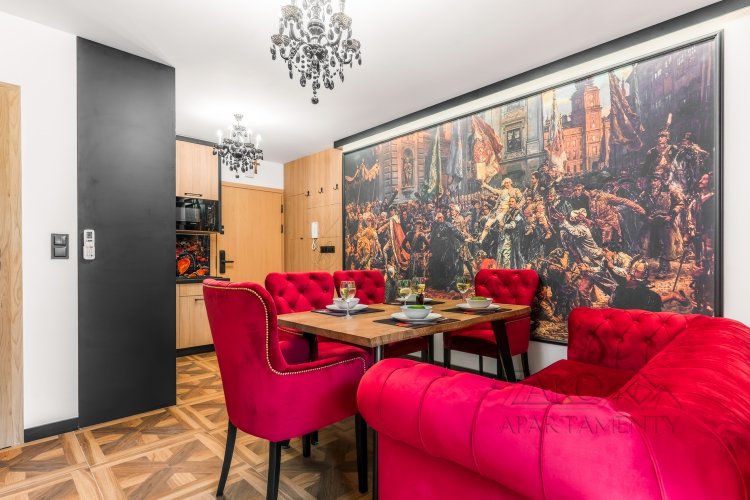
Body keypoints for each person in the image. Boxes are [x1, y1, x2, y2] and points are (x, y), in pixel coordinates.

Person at [638, 175, 685, 279]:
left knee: (666, 244)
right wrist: (645, 217)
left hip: (665, 222)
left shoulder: (669, 191)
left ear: (660, 181)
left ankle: (665, 267)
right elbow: (638, 206)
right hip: (652, 223)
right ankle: (661, 266)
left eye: (655, 180)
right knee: (654, 244)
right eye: (651, 180)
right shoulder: (645, 193)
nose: (653, 183)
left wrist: (671, 215)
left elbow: (680, 204)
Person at [427, 212, 463, 291]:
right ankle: (439, 285)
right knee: (437, 265)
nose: (441, 219)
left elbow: (455, 232)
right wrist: (431, 250)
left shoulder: (447, 224)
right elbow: (432, 239)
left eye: (442, 217)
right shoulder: (435, 226)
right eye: (439, 217)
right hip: (437, 249)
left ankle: (448, 285)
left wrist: (463, 238)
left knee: (447, 266)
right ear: (436, 219)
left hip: (446, 248)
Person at [496, 197, 525, 269]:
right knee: (503, 254)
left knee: (513, 254)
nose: (510, 203)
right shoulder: (507, 212)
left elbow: (513, 225)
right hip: (506, 235)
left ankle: (517, 269)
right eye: (510, 201)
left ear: (516, 203)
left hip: (515, 237)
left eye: (512, 201)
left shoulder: (518, 213)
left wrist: (504, 225)